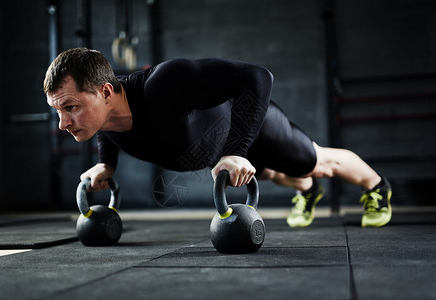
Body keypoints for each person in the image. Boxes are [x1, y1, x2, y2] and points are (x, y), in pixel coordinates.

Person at [43, 47, 392, 228]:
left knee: (316, 163)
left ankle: (377, 187)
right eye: (58, 111)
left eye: (70, 107)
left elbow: (258, 76)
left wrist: (238, 150)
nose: (63, 123)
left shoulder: (164, 84)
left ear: (105, 92)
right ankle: (307, 191)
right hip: (221, 151)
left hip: (254, 128)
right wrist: (106, 164)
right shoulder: (103, 116)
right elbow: (109, 129)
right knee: (269, 174)